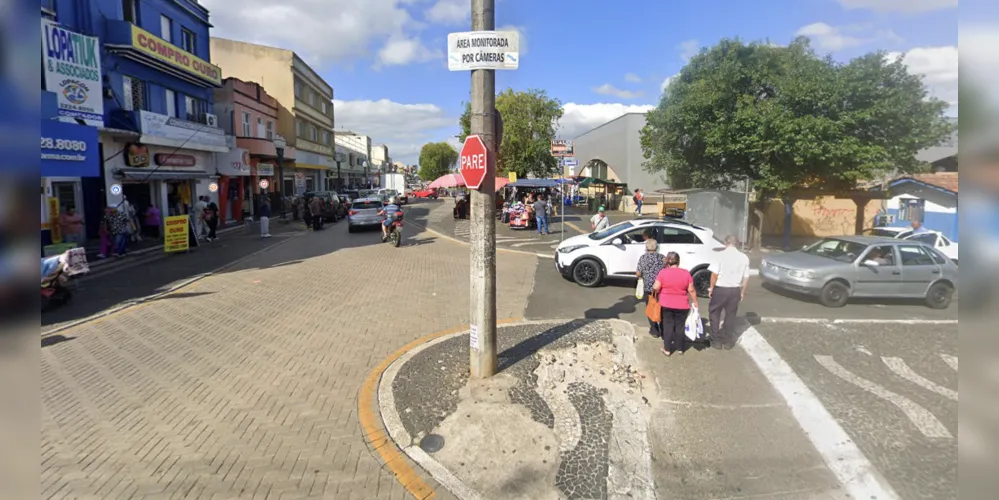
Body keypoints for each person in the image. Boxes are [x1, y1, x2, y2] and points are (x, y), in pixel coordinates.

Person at [707, 235, 751, 350]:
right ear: (736, 243)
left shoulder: (720, 256)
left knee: (714, 313)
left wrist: (711, 288)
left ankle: (715, 340)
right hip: (734, 290)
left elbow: (714, 275)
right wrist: (742, 292)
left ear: (726, 243)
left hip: (721, 289)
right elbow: (746, 278)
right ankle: (728, 341)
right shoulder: (744, 257)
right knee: (730, 315)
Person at [653, 251, 698, 356]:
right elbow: (691, 290)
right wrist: (695, 302)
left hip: (666, 303)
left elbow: (656, 287)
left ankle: (667, 349)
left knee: (668, 325)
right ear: (678, 261)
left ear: (667, 261)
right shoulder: (686, 273)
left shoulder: (663, 272)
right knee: (680, 326)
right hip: (682, 304)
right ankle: (680, 349)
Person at [636, 239, 667, 338]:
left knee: (650, 308)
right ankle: (663, 330)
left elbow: (638, 273)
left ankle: (654, 330)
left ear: (646, 248)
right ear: (656, 247)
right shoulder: (662, 258)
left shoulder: (643, 258)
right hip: (661, 288)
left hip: (649, 288)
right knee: (661, 309)